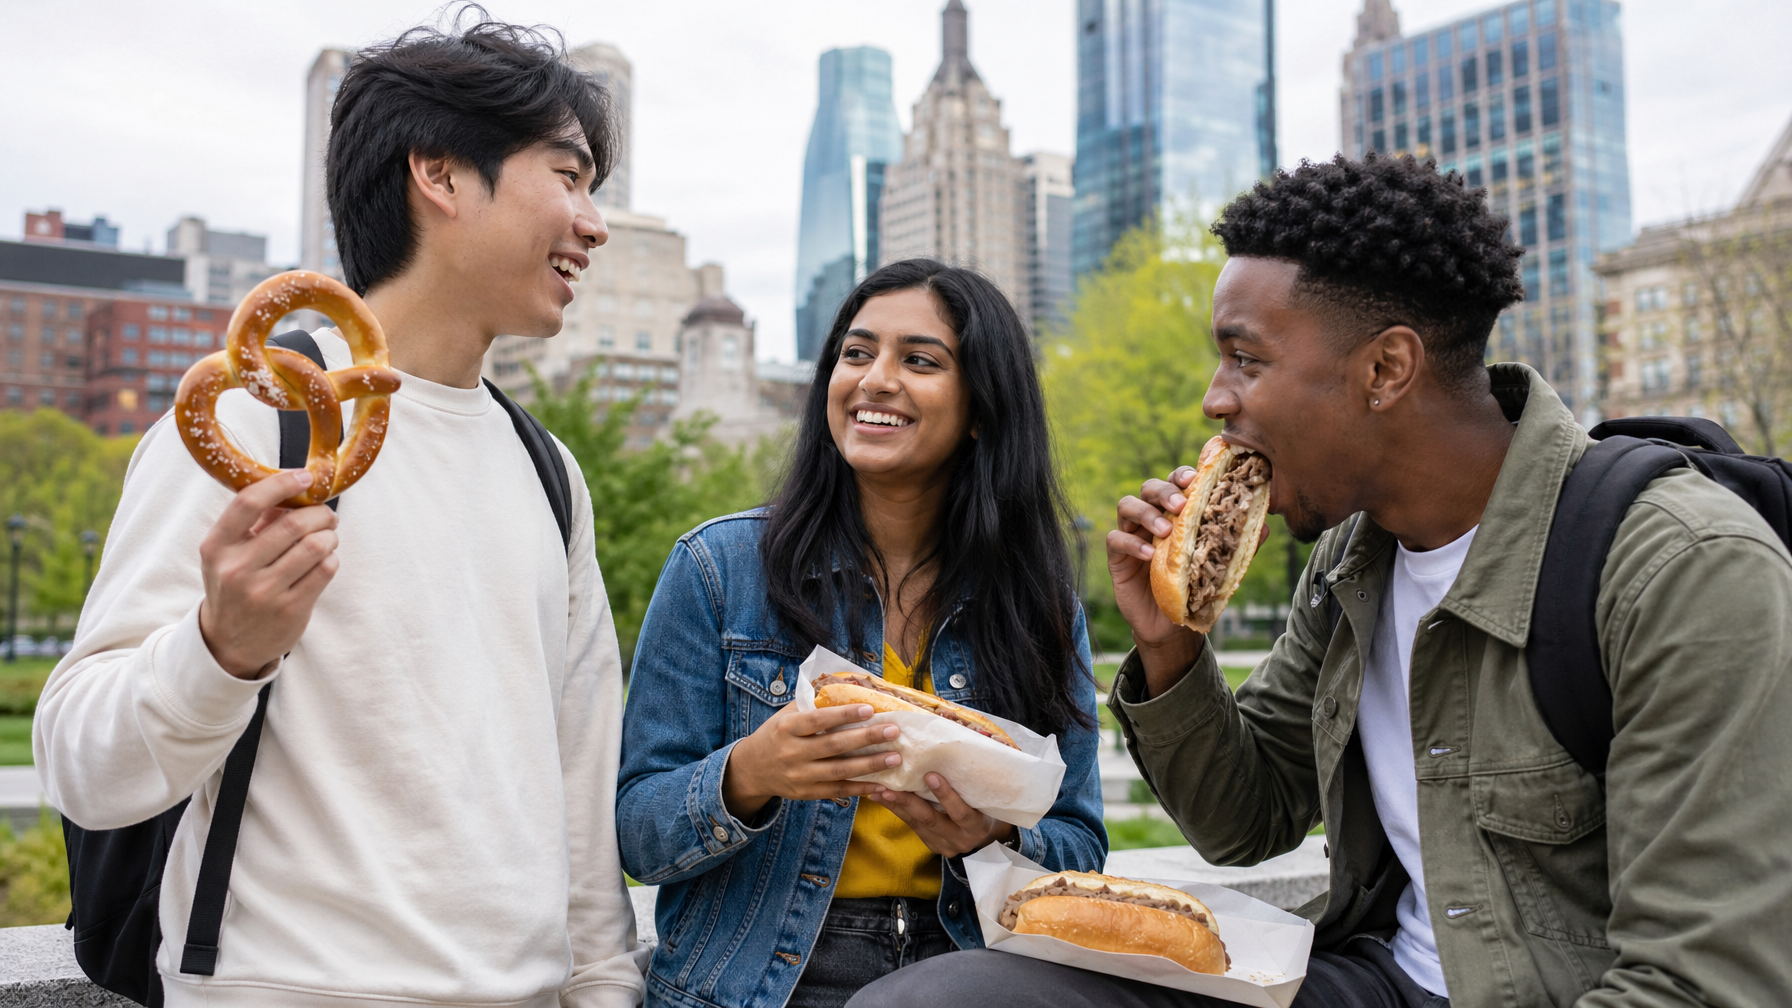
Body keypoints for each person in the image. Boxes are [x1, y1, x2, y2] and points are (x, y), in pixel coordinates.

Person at [849, 155, 1792, 1007]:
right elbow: (1247, 821)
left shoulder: (1680, 568)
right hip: (1376, 977)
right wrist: (1172, 648)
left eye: (1246, 359)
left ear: (1386, 368)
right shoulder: (1351, 560)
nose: (1215, 398)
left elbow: (1702, 981)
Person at [35, 19, 648, 1008]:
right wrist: (220, 649)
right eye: (569, 177)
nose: (594, 223)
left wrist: (605, 990)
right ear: (440, 174)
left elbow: (581, 786)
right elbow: (80, 765)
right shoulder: (258, 419)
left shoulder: (549, 471)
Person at [616, 259, 1106, 1008]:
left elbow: (1081, 848)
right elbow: (637, 835)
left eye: (920, 361)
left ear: (981, 407)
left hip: (966, 971)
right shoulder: (718, 568)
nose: (875, 380)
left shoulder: (1037, 603)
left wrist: (991, 841)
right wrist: (750, 773)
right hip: (759, 981)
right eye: (856, 353)